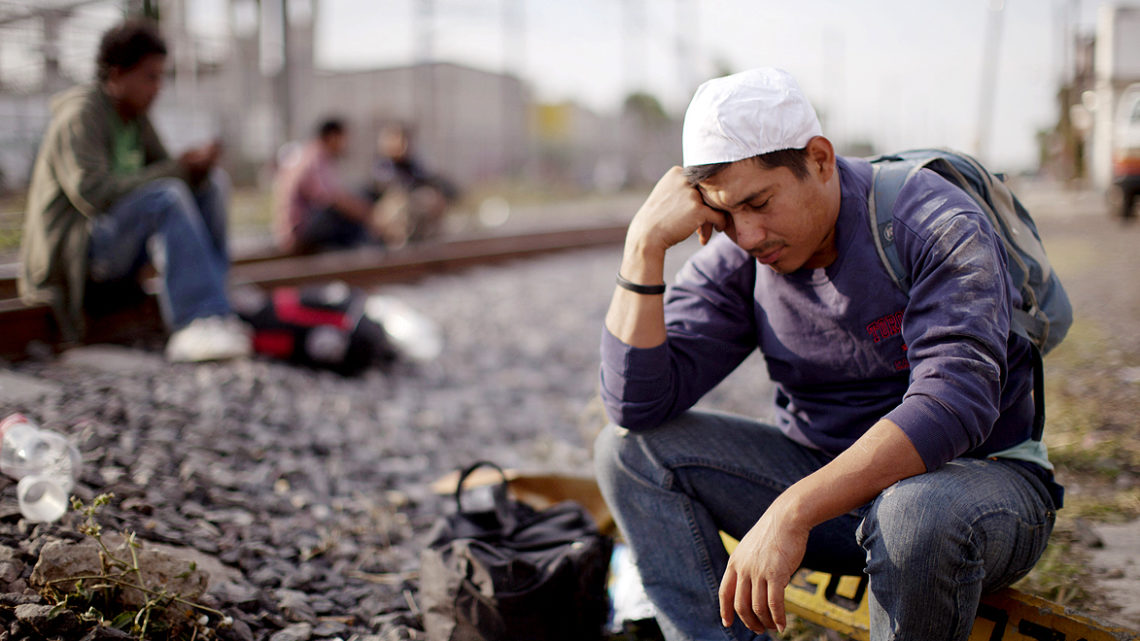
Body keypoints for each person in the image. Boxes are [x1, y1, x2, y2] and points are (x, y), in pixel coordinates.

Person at [594, 68, 1063, 641]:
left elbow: (955, 402)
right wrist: (642, 248)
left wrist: (793, 510)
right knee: (628, 453)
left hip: (973, 492)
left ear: (819, 159)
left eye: (759, 202)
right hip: (833, 501)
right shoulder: (746, 257)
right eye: (725, 215)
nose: (746, 235)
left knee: (913, 513)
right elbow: (634, 405)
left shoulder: (930, 220)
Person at [19, 19, 250, 362]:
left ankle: (218, 308)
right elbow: (92, 193)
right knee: (166, 197)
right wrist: (178, 170)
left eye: (161, 77)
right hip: (79, 253)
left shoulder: (135, 117)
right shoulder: (81, 115)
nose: (157, 88)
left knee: (213, 186)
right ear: (116, 75)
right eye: (150, 77)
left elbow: (171, 172)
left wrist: (197, 169)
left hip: (116, 246)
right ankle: (196, 321)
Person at [273, 117, 376, 253]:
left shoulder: (305, 154)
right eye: (343, 139)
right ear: (333, 137)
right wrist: (368, 213)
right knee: (346, 212)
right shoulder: (316, 159)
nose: (345, 145)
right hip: (300, 230)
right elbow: (332, 198)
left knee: (354, 200)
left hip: (293, 228)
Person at [368, 122, 458, 248]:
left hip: (414, 203)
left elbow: (428, 178)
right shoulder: (382, 166)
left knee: (430, 200)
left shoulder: (413, 163)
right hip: (392, 208)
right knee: (399, 207)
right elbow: (390, 188)